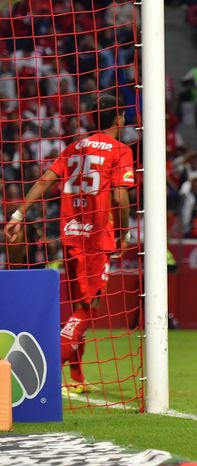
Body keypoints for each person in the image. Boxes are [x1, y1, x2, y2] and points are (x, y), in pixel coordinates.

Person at [4, 95, 134, 394]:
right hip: (97, 238)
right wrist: (123, 233)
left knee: (78, 306)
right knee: (88, 308)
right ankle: (47, 369)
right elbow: (119, 197)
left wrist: (18, 214)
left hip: (71, 237)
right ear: (119, 119)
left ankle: (76, 378)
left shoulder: (74, 147)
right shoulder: (120, 150)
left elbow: (44, 181)